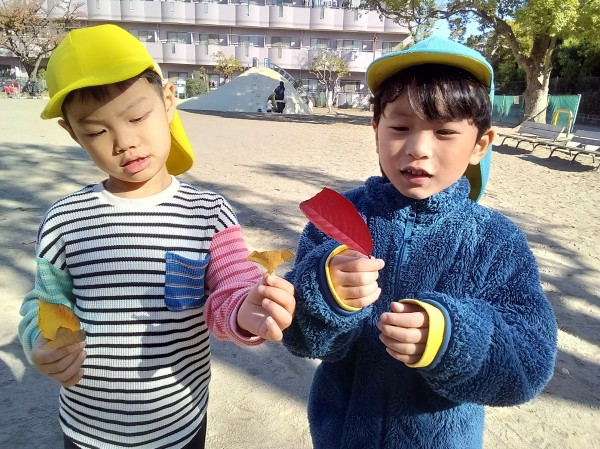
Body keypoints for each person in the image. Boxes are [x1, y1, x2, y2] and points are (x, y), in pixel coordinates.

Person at [18, 24, 295, 449]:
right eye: (96, 132)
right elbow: (45, 300)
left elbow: (233, 285)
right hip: (89, 429)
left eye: (136, 117)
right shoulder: (65, 219)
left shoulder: (207, 213)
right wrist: (41, 341)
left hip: (180, 423)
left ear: (167, 101)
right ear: (73, 133)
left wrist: (247, 308)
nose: (124, 142)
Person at [282, 36, 557, 449]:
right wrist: (325, 294)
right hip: (340, 436)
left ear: (480, 144)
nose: (418, 149)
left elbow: (529, 364)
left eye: (444, 131)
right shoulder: (339, 219)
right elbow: (302, 339)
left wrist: (452, 339)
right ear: (376, 131)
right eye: (400, 127)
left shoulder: (495, 241)